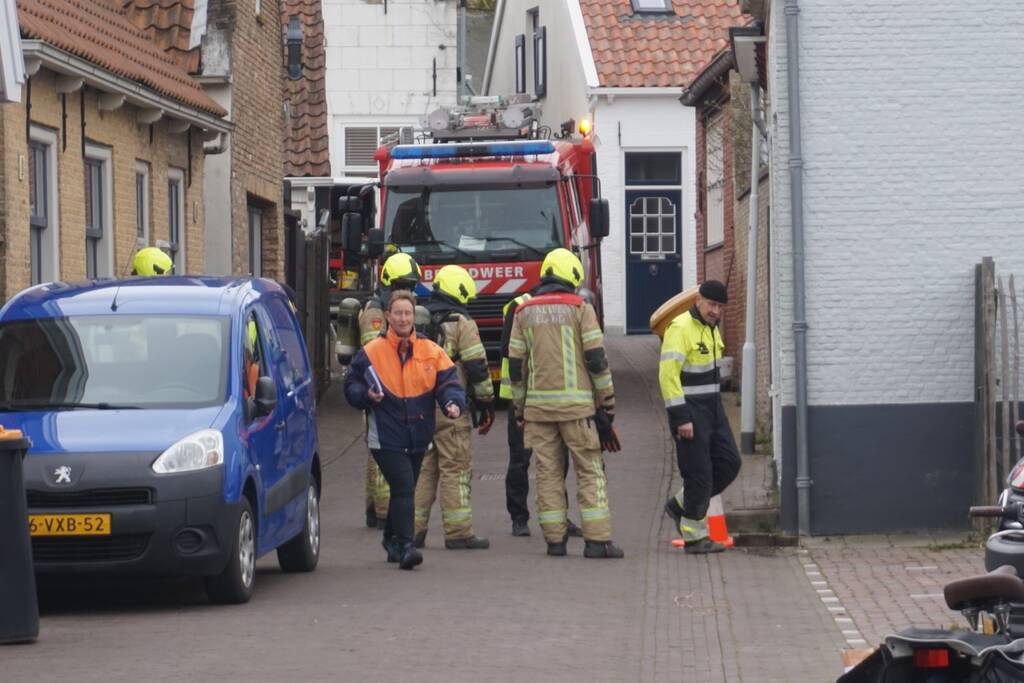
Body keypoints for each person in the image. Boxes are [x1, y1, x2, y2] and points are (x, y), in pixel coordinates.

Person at [508, 248, 623, 559]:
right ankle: (597, 542)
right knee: (589, 472)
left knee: (547, 475)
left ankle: (555, 542)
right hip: (578, 411)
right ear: (572, 277)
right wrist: (607, 403)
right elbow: (597, 360)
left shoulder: (523, 312)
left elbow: (516, 367)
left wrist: (519, 410)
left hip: (538, 412)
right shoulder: (580, 308)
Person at [344, 290, 466, 570]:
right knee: (404, 487)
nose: (402, 318)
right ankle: (408, 547)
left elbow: (449, 382)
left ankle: (392, 540)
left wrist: (452, 403)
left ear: (414, 316)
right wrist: (366, 395)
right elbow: (351, 386)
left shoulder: (431, 350)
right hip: (385, 436)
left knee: (404, 490)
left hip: (419, 434)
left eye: (407, 313)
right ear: (388, 316)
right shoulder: (371, 352)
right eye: (397, 313)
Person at [413, 265, 494, 550]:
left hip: (419, 406)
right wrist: (486, 403)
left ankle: (414, 530)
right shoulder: (461, 322)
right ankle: (458, 532)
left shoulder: (419, 318)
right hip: (451, 407)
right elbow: (477, 366)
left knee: (424, 468)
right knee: (455, 467)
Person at [659, 280, 741, 554]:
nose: (715, 310)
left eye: (719, 306)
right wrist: (681, 417)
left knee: (730, 463)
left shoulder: (711, 329)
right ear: (698, 300)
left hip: (713, 410)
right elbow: (668, 375)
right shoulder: (681, 328)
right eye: (711, 304)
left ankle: (679, 505)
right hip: (689, 411)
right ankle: (695, 537)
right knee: (699, 474)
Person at [499, 291, 582, 539]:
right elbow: (508, 350)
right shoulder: (519, 306)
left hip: (550, 397)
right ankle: (519, 518)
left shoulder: (565, 306)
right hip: (522, 398)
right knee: (520, 460)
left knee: (557, 462)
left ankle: (559, 517)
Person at [359, 252, 422, 529]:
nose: (407, 291)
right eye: (403, 285)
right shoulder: (376, 311)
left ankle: (376, 508)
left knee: (379, 453)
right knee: (384, 451)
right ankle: (384, 512)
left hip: (391, 390)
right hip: (380, 391)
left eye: (410, 286)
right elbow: (375, 351)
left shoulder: (392, 307)